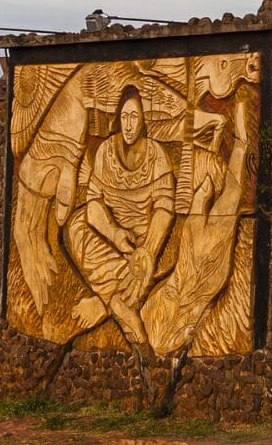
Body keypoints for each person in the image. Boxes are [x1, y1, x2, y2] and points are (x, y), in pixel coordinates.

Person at [67, 84, 175, 346]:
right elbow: (93, 204)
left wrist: (148, 249)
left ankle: (105, 304)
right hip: (109, 236)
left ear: (143, 120)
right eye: (124, 117)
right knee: (75, 227)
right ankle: (119, 305)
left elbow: (164, 207)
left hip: (142, 239)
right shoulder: (105, 151)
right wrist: (114, 233)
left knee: (150, 262)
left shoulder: (156, 154)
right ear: (118, 118)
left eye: (134, 117)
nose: (129, 125)